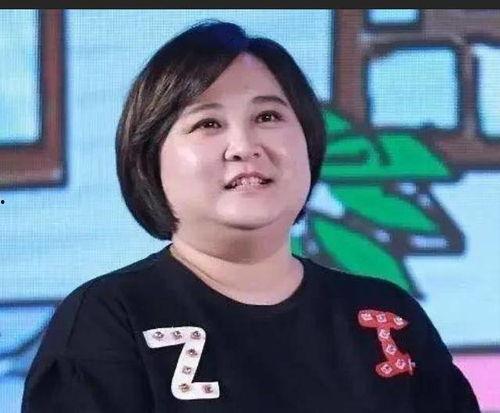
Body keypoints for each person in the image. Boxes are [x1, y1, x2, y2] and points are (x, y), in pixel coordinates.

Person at [22, 20, 480, 413]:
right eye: (208, 123)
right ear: (149, 159)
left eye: (268, 117)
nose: (244, 146)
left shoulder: (388, 320)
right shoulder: (108, 322)